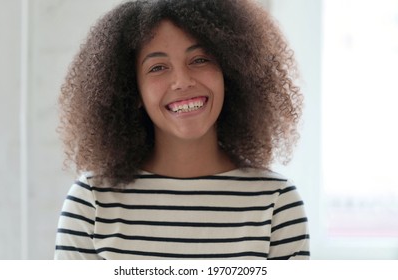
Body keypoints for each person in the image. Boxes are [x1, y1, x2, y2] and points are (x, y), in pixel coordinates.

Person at [55, 0, 309, 260]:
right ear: (134, 90)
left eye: (199, 59)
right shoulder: (92, 203)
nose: (182, 81)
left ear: (229, 73)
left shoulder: (276, 203)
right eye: (157, 67)